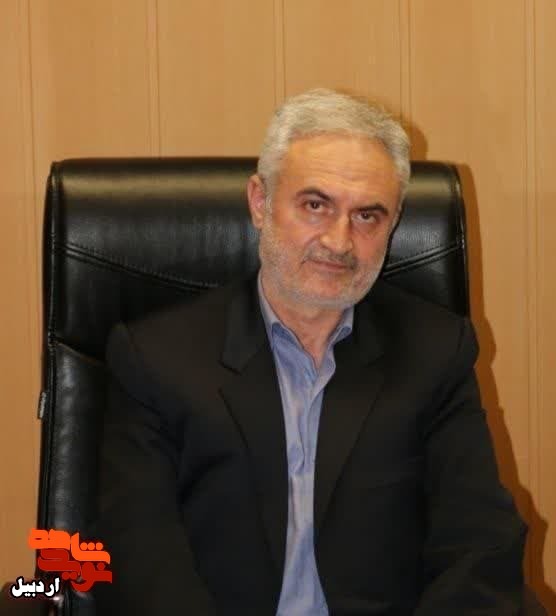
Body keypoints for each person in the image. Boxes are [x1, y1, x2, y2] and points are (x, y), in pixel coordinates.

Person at [96, 89, 528, 615]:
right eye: (316, 206)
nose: (339, 242)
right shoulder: (156, 358)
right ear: (260, 202)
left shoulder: (435, 352)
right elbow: (140, 560)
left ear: (393, 224)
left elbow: (481, 546)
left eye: (367, 216)